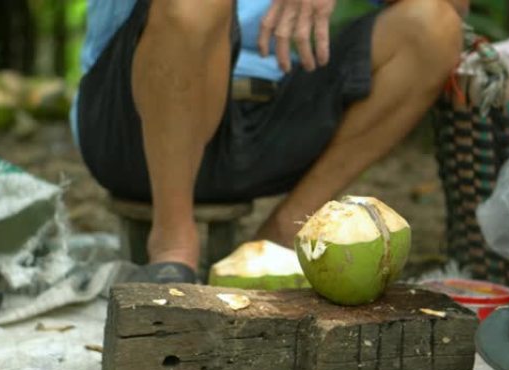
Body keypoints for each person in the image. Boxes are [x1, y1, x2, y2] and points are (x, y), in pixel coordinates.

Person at [71, 0, 468, 283]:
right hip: (132, 125)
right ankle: (172, 246)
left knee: (434, 24)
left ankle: (283, 234)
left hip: (269, 116)